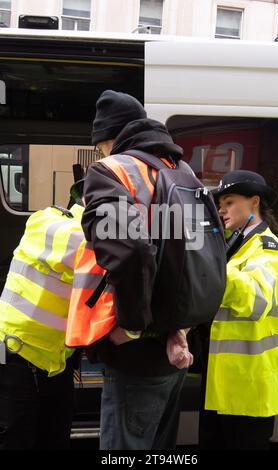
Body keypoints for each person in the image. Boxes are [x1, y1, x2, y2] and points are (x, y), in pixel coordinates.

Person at [81, 90, 195, 450]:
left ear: (109, 139)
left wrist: (132, 327)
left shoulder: (111, 170)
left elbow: (130, 251)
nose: (103, 153)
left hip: (138, 353)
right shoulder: (180, 170)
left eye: (100, 146)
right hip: (176, 343)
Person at [197, 170, 278, 450]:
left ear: (254, 201)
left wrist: (206, 268)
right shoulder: (238, 245)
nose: (221, 210)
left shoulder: (269, 251)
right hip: (226, 385)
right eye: (221, 204)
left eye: (229, 202)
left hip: (248, 391)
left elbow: (255, 299)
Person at [0, 190, 84, 450]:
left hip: (52, 360)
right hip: (21, 357)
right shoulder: (71, 234)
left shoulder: (54, 222)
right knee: (20, 440)